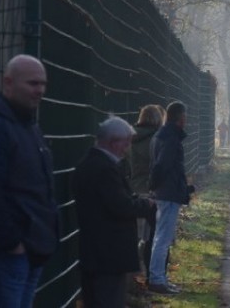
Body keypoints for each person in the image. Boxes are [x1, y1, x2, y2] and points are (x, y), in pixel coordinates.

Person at [0, 55, 59, 308]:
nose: (40, 90)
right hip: (7, 252)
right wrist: (11, 242)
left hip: (29, 248)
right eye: (33, 83)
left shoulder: (27, 126)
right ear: (8, 83)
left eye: (43, 84)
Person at [73, 116, 155, 308]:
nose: (127, 149)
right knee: (108, 300)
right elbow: (120, 205)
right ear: (113, 142)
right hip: (108, 253)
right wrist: (145, 205)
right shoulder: (105, 169)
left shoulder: (88, 164)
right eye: (125, 143)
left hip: (94, 251)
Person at [147, 101, 193, 295]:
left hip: (167, 191)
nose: (186, 120)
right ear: (181, 118)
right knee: (162, 238)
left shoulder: (163, 135)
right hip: (168, 193)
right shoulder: (171, 138)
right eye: (185, 116)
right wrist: (155, 186)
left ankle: (160, 278)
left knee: (161, 237)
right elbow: (163, 165)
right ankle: (157, 279)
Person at [130, 104, 164, 279]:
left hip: (133, 186)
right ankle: (146, 271)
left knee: (135, 233)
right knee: (150, 234)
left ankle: (133, 275)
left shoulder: (131, 136)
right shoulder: (157, 139)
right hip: (151, 189)